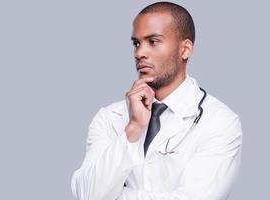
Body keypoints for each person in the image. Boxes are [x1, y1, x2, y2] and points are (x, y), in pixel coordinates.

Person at [71, 2, 242, 200]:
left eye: (153, 41)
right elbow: (87, 195)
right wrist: (133, 128)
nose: (139, 53)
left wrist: (116, 195)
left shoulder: (220, 121)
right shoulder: (110, 117)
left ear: (185, 49)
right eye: (136, 43)